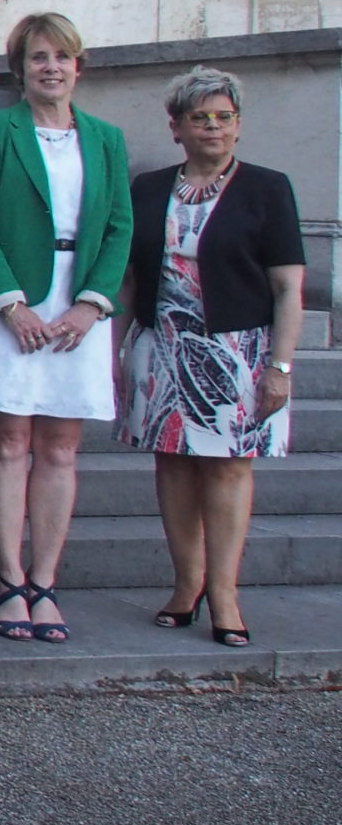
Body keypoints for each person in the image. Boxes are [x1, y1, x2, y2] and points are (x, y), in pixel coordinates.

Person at [0, 11, 131, 644]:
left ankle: (45, 583)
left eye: (61, 56)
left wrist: (93, 303)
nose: (50, 67)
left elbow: (118, 227)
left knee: (59, 449)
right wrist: (9, 303)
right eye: (37, 57)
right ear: (18, 69)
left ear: (79, 66)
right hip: (9, 304)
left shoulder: (106, 138)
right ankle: (9, 578)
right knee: (9, 444)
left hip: (78, 307)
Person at [120, 67, 306, 650]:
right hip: (164, 346)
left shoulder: (267, 188)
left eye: (224, 116)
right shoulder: (148, 189)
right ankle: (186, 585)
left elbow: (287, 288)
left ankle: (224, 593)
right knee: (172, 464)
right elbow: (130, 281)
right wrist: (116, 351)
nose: (213, 127)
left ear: (239, 125)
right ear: (175, 127)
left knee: (228, 468)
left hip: (238, 352)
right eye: (199, 117)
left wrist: (280, 366)